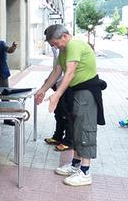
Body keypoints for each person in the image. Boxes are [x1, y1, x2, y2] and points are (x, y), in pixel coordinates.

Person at [35, 24, 105, 186]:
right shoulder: (63, 50)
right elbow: (56, 72)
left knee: (85, 128)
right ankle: (75, 164)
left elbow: (70, 71)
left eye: (55, 43)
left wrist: (57, 95)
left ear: (65, 36)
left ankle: (85, 172)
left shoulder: (74, 45)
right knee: (75, 128)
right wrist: (43, 90)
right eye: (52, 45)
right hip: (75, 92)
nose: (54, 46)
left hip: (86, 91)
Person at [43, 47, 73, 152]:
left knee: (67, 114)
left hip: (67, 87)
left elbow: (67, 72)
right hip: (58, 85)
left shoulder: (69, 49)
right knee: (59, 113)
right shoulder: (57, 50)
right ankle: (57, 136)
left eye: (53, 42)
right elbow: (56, 69)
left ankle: (69, 141)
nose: (52, 45)